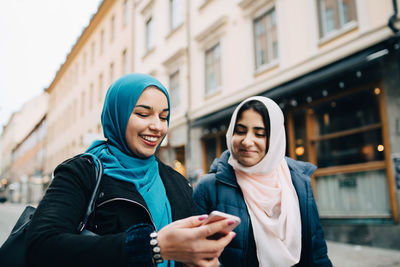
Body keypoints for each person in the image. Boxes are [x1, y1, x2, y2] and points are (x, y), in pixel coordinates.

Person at [26, 73, 235, 267]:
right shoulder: (82, 172)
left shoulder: (175, 181)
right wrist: (153, 246)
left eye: (163, 117)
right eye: (143, 114)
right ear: (118, 114)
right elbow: (41, 245)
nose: (157, 126)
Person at [193, 96, 332, 267]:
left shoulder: (299, 182)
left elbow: (317, 252)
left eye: (260, 134)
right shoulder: (208, 188)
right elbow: (195, 255)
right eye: (240, 131)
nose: (247, 141)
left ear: (275, 140)